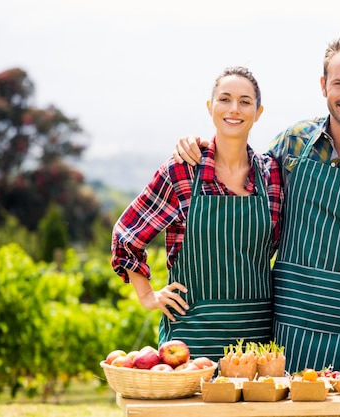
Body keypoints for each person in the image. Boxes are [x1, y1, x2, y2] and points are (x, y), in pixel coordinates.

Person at [173, 36, 340, 372]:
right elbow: (242, 169)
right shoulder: (294, 143)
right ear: (324, 86)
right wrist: (199, 145)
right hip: (288, 332)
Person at [111, 66, 284, 362]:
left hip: (256, 344)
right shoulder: (182, 171)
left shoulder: (272, 175)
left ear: (259, 112)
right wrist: (147, 296)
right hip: (191, 340)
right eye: (225, 99)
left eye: (245, 101)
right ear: (210, 107)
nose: (234, 109)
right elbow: (127, 235)